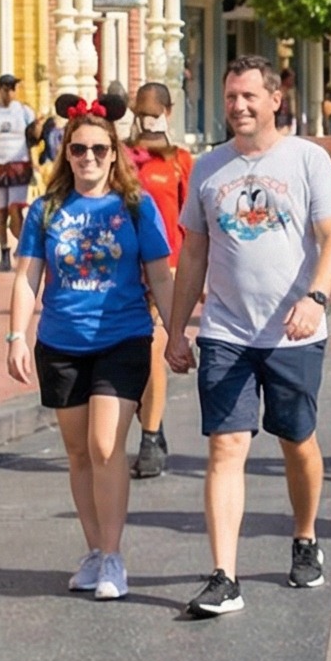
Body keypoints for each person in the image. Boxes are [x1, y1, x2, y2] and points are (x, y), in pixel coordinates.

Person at [165, 58, 331, 618]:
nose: (239, 107)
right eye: (230, 97)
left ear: (274, 99)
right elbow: (193, 251)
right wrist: (176, 329)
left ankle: (305, 534)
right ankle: (225, 575)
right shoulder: (208, 168)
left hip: (294, 331)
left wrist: (315, 297)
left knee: (297, 441)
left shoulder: (307, 159)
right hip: (226, 330)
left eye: (249, 96)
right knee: (226, 447)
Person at [8, 103, 174, 601]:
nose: (88, 157)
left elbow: (161, 274)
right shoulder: (47, 208)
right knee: (79, 452)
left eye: (99, 149)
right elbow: (27, 277)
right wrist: (16, 335)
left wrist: (178, 331)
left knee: (106, 445)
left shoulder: (135, 205)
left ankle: (115, 556)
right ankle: (95, 551)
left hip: (123, 338)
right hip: (61, 341)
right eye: (78, 148)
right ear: (67, 153)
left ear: (113, 153)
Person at [125, 83, 192, 480]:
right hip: (122, 267)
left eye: (155, 110)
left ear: (168, 111)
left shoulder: (181, 161)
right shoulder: (120, 157)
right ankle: (153, 423)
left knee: (152, 352)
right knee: (129, 355)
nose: (149, 117)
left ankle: (150, 439)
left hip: (165, 271)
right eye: (143, 110)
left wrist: (192, 276)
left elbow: (191, 223)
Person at [0, 72, 37, 267]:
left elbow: (34, 139)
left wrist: (35, 163)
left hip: (18, 165)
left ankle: (24, 251)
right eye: (6, 89)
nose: (10, 93)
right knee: (0, 214)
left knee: (15, 209)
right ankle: (4, 253)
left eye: (13, 88)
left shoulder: (24, 112)